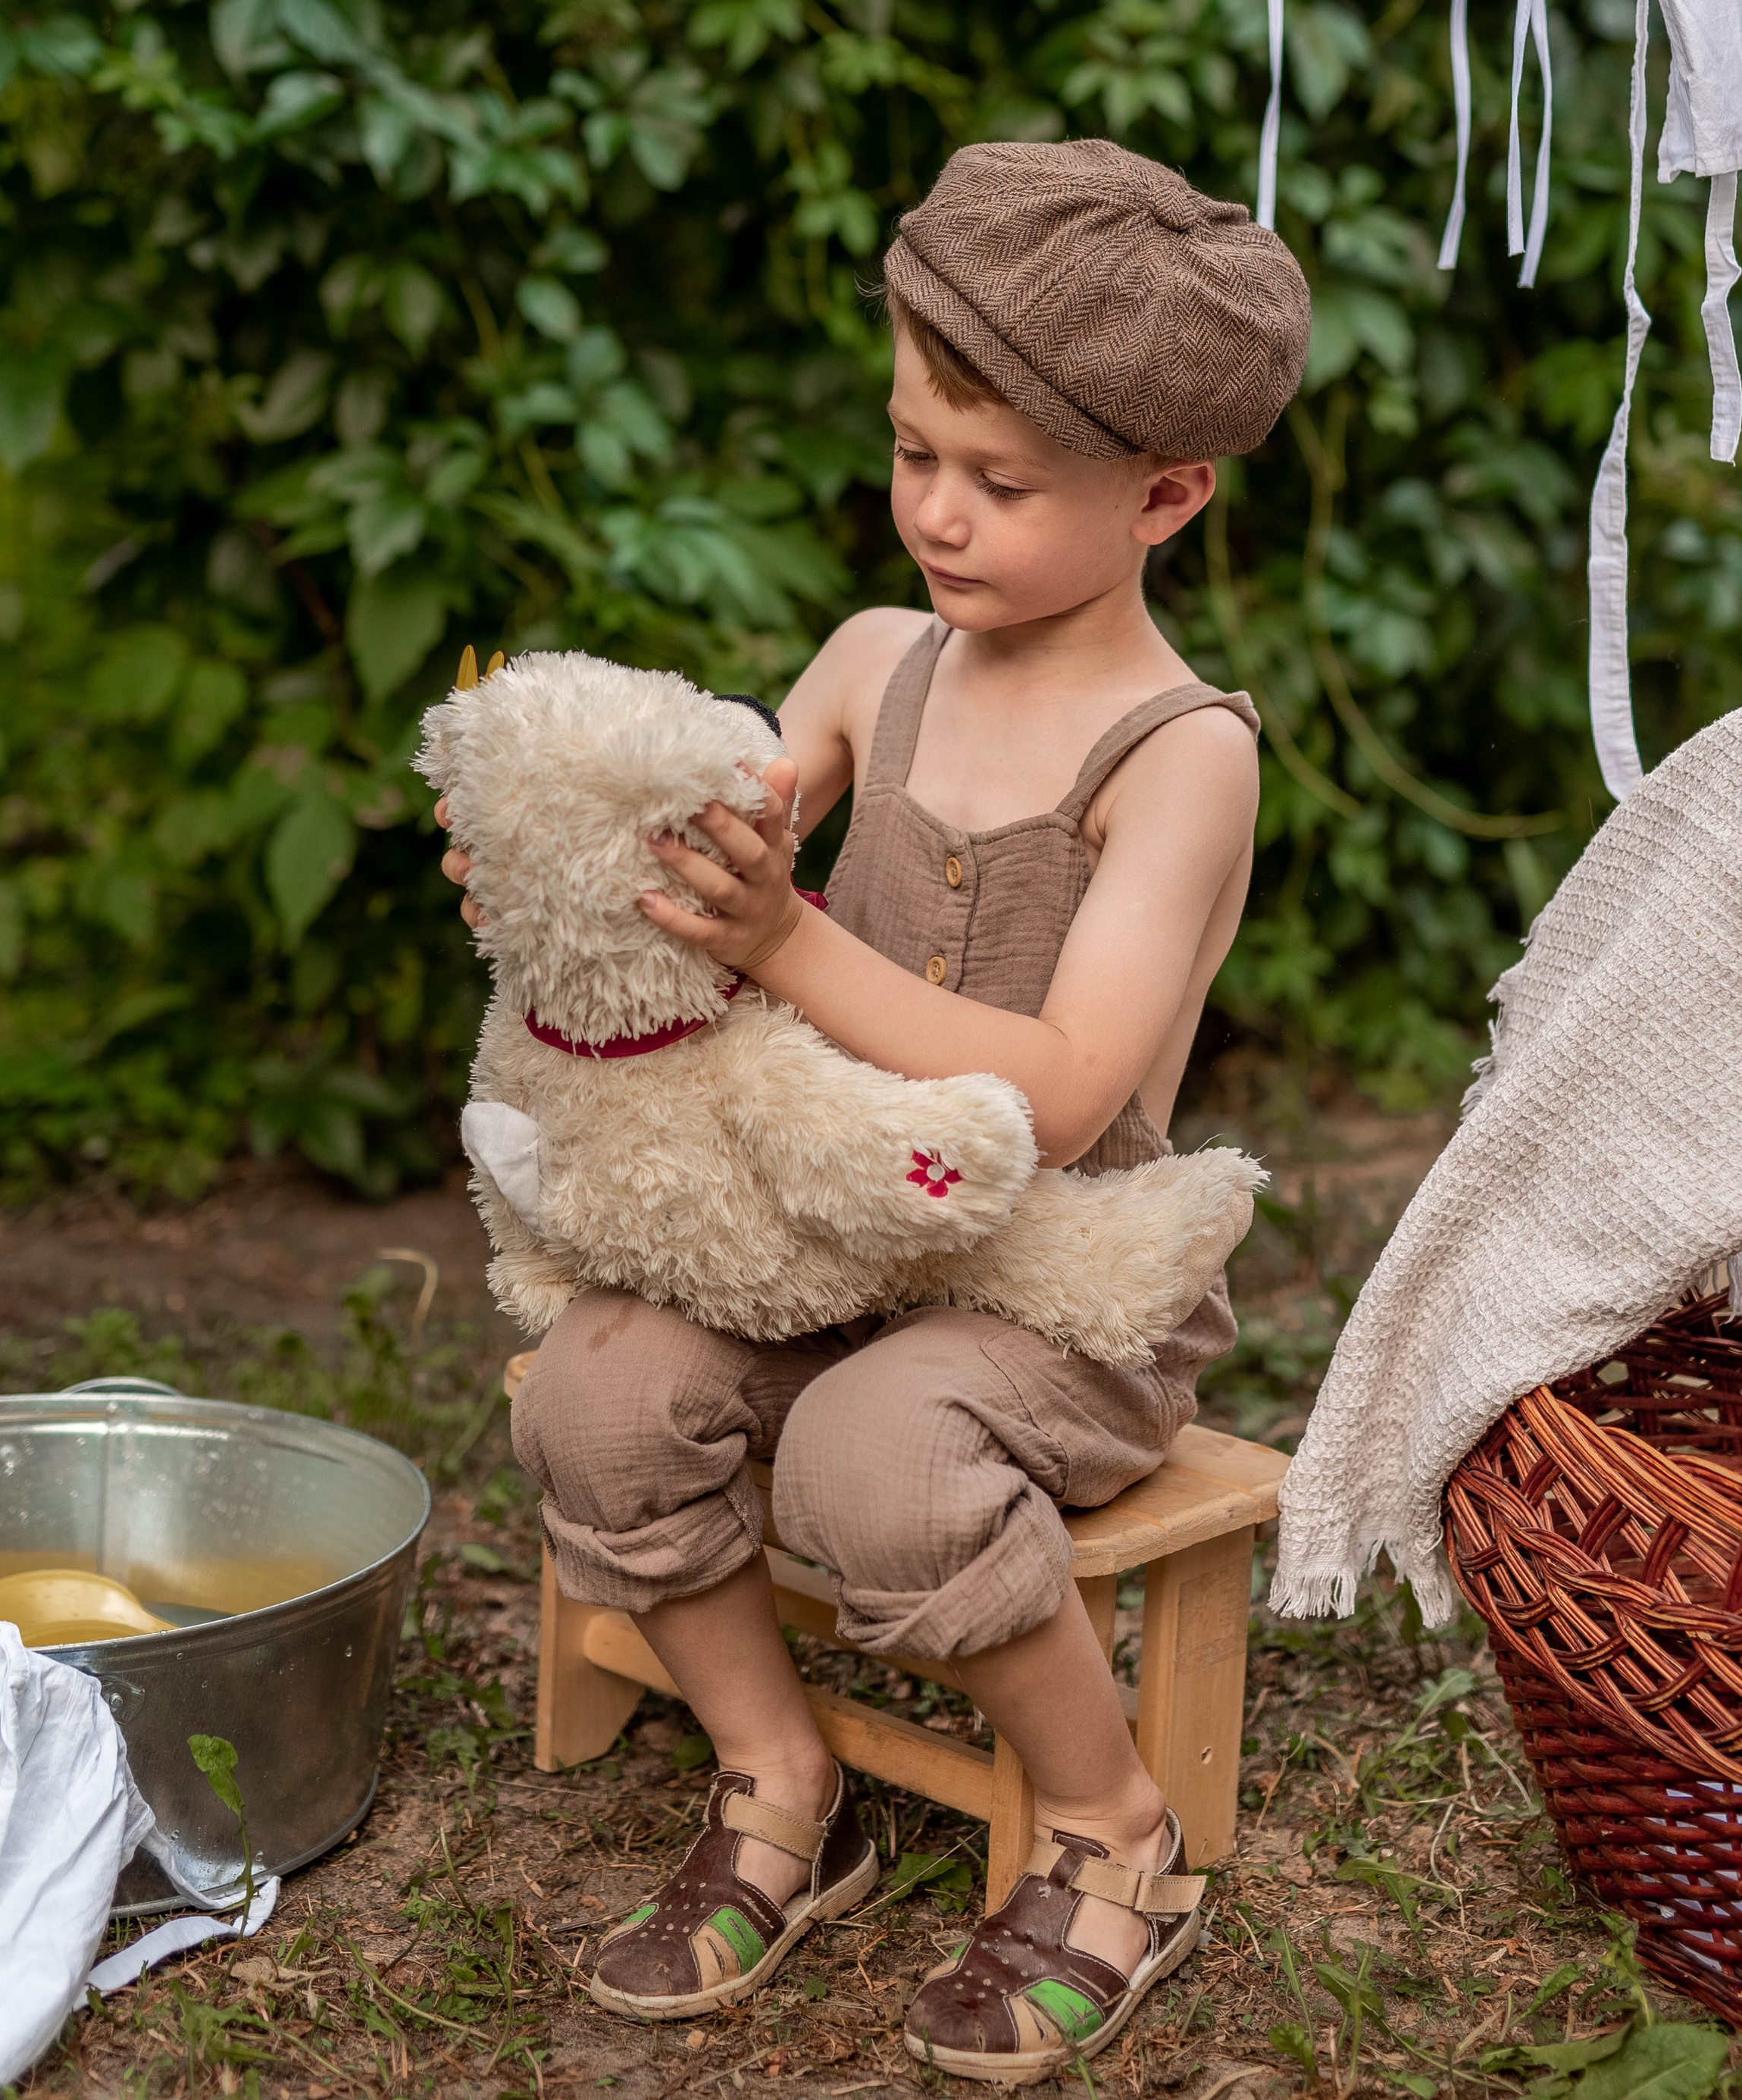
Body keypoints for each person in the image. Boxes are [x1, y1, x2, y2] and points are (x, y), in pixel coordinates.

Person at [439, 137, 1309, 2081]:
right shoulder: (867, 661)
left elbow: (1074, 1089)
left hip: (1053, 1286)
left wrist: (784, 945)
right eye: (914, 449)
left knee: (875, 1458)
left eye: (997, 484)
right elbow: (707, 865)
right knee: (595, 1389)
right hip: (824, 1231)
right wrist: (576, 878)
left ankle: (1109, 1831)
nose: (935, 508)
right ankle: (776, 1771)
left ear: (1165, 492)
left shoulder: (1177, 760)